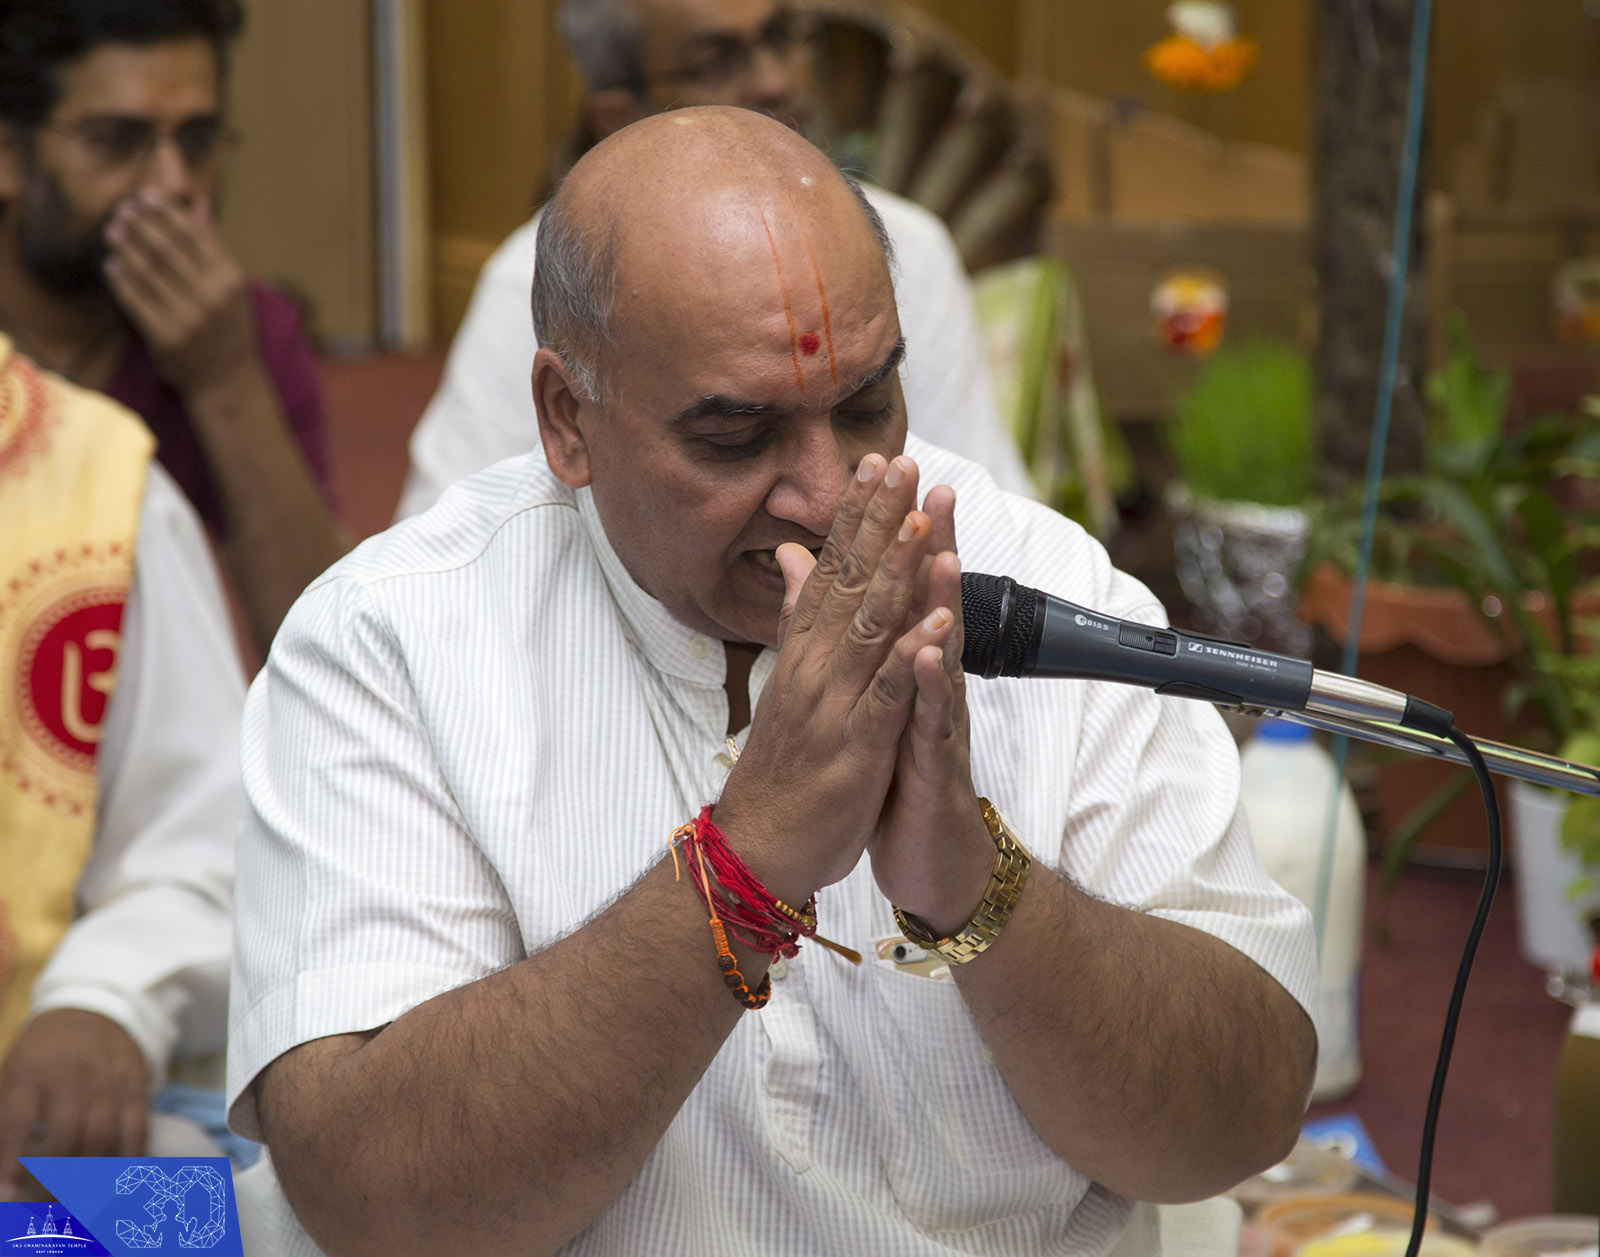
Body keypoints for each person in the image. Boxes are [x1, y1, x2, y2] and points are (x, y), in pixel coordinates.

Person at [227, 108, 1316, 1256]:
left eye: (865, 408)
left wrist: (977, 881)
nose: (828, 491)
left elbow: (1236, 1124)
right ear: (567, 420)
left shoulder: (1033, 580)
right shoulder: (389, 638)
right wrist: (747, 860)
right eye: (736, 436)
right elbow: (368, 1199)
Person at [393, 0, 1036, 521]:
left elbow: (986, 514)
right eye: (717, 60)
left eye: (783, 36)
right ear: (619, 113)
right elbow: (442, 542)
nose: (776, 80)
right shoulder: (538, 279)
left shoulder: (909, 246)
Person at [0, 0, 345, 658]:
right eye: (116, 141)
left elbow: (327, 651)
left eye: (196, 141)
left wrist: (226, 383)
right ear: (9, 154)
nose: (172, 185)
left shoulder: (240, 330)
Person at [0, 335, 246, 1199]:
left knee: (196, 1214)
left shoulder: (97, 486)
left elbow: (205, 832)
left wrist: (106, 997)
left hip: (24, 1126)